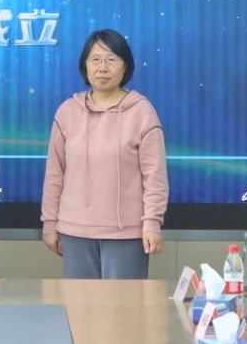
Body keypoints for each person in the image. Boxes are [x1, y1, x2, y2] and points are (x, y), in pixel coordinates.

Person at [40, 29, 169, 279]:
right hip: (74, 231)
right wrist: (50, 223)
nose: (102, 68)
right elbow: (55, 173)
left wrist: (152, 223)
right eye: (95, 60)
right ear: (85, 66)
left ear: (125, 66)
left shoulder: (142, 112)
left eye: (111, 59)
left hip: (126, 233)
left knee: (124, 303)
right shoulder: (67, 111)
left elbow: (155, 176)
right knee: (80, 302)